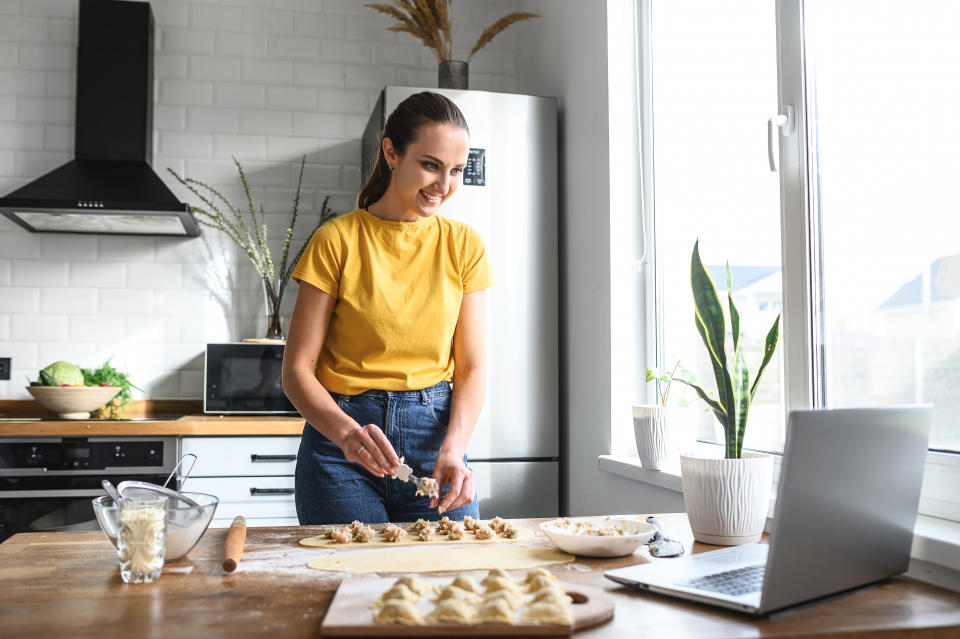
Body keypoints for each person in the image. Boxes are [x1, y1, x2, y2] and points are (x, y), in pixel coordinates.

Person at [282, 92, 494, 525]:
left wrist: (454, 448)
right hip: (342, 448)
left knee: (456, 578)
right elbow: (297, 369)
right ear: (391, 152)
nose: (443, 184)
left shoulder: (464, 245)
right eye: (431, 165)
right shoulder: (336, 240)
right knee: (356, 586)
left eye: (456, 170)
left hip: (434, 440)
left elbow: (471, 367)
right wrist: (346, 435)